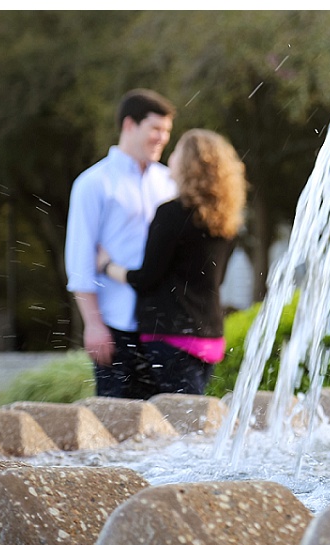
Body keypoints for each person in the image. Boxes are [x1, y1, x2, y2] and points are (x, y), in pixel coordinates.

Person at [97, 129, 247, 395]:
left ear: (189, 164)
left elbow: (145, 279)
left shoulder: (170, 214)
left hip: (171, 337)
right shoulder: (228, 223)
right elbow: (217, 279)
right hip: (210, 337)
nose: (171, 156)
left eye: (177, 151)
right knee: (190, 415)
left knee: (181, 422)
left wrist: (107, 265)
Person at [65, 88, 177, 399]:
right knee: (115, 426)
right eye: (155, 129)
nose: (162, 138)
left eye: (166, 131)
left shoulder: (169, 183)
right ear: (130, 125)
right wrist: (93, 324)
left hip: (162, 327)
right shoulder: (93, 183)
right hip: (115, 325)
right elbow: (80, 259)